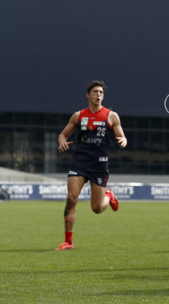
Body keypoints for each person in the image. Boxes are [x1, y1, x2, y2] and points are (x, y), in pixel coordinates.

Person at [55, 80, 127, 251]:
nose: (98, 95)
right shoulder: (78, 115)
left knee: (97, 208)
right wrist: (62, 142)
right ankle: (68, 241)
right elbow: (62, 135)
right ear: (88, 95)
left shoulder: (111, 115)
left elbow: (122, 135)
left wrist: (122, 140)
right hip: (80, 162)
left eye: (101, 92)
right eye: (95, 92)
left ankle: (108, 196)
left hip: (99, 165)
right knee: (71, 199)